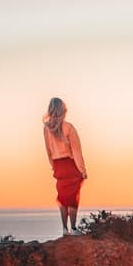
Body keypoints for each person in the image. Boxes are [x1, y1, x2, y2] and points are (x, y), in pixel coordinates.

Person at [43, 97, 87, 234]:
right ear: (63, 109)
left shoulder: (46, 128)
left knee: (62, 198)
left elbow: (48, 150)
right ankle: (73, 228)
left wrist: (54, 166)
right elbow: (77, 151)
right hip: (70, 165)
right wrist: (82, 170)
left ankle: (64, 229)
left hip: (58, 166)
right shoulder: (68, 127)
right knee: (73, 198)